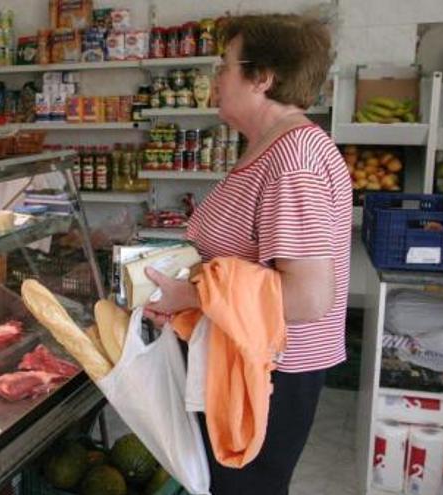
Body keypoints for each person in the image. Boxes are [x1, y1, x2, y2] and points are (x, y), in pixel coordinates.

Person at [143, 14, 351, 495]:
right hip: (247, 359)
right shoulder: (269, 147)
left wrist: (191, 296)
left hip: (272, 373)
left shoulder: (293, 161)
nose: (215, 79)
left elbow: (306, 298)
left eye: (225, 65)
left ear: (262, 78)